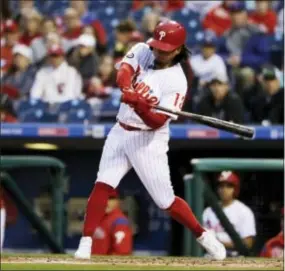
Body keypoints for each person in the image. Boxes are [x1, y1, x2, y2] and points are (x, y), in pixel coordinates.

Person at [74, 20, 226, 261]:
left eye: (165, 49)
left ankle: (204, 236)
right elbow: (124, 70)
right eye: (157, 45)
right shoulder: (145, 49)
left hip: (149, 140)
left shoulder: (177, 82)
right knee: (103, 184)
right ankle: (86, 242)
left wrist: (140, 106)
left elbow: (157, 121)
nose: (158, 51)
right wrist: (128, 89)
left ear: (177, 50)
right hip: (120, 131)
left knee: (165, 201)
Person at [203, 171, 256, 257]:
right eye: (221, 186)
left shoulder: (244, 211)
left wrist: (219, 244)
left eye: (228, 186)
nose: (224, 189)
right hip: (211, 257)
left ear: (235, 189)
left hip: (235, 257)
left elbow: (248, 243)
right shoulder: (208, 211)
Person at [218, 1, 270, 72]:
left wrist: (242, 59)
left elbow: (263, 58)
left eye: (239, 13)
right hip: (230, 69)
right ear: (230, 16)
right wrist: (227, 58)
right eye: (233, 14)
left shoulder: (256, 32)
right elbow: (218, 54)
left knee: (246, 73)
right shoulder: (226, 33)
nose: (236, 16)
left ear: (245, 14)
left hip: (252, 70)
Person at [91, 189, 133, 255]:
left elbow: (122, 253)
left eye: (110, 198)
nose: (105, 201)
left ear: (118, 201)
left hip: (106, 264)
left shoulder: (120, 221)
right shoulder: (98, 218)